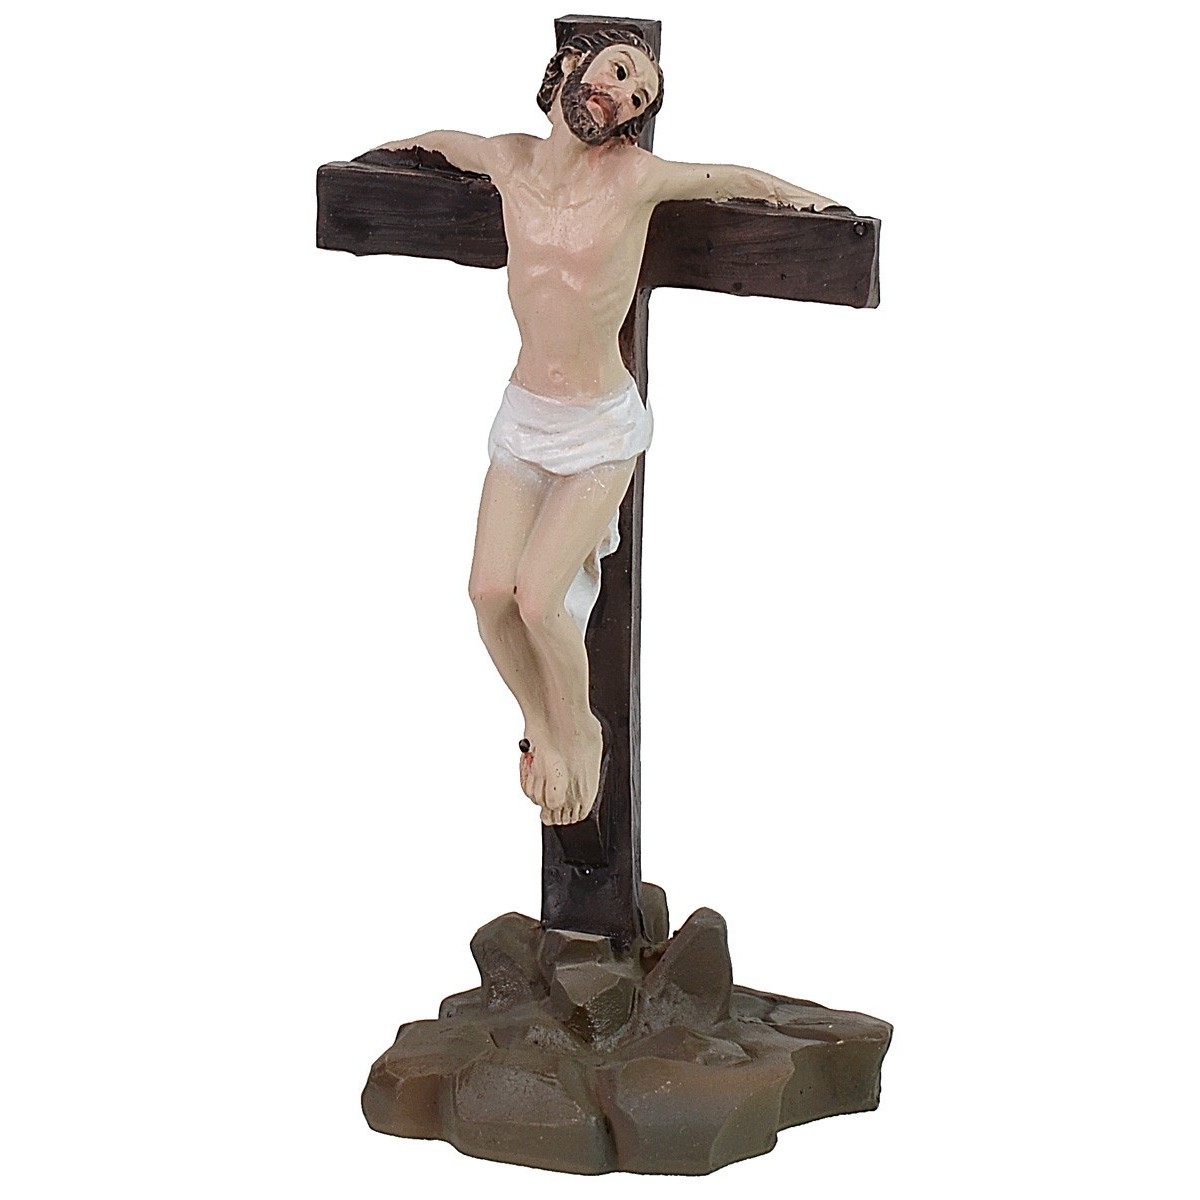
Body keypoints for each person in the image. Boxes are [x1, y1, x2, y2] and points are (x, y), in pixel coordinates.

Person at [377, 29, 837, 827]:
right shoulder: (508, 160)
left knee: (537, 598)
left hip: (597, 429)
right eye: (620, 73)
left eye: (638, 98)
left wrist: (823, 210)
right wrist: (373, 155)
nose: (623, 97)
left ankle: (582, 732)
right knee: (487, 595)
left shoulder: (635, 179)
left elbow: (736, 179)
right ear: (569, 67)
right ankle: (540, 724)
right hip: (525, 415)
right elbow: (436, 146)